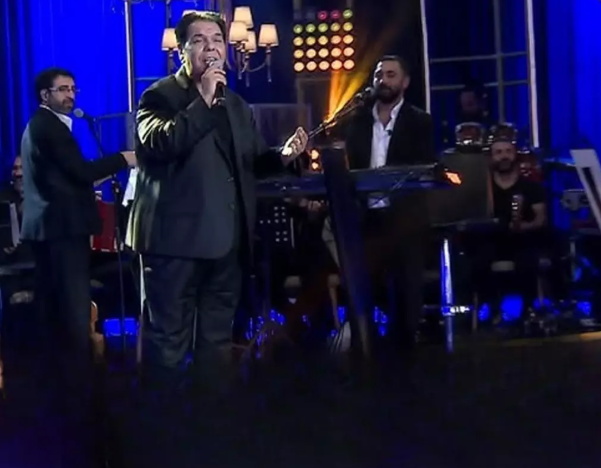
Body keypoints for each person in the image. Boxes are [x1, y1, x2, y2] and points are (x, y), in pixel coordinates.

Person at [126, 11, 307, 395]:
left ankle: (211, 419)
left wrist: (284, 155)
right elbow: (162, 143)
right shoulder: (159, 96)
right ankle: (163, 420)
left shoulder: (236, 105)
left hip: (226, 243)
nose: (211, 48)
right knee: (168, 342)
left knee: (217, 341)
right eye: (199, 40)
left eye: (217, 40)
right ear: (182, 51)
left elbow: (251, 161)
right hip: (173, 245)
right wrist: (205, 100)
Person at [20, 66, 136, 466]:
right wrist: (123, 158)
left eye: (73, 88)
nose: (71, 95)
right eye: (62, 90)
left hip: (55, 230)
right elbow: (80, 172)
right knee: (71, 314)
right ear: (44, 95)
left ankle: (65, 391)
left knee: (61, 312)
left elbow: (69, 177)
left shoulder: (45, 126)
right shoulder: (49, 127)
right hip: (61, 232)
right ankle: (77, 397)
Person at [342, 55, 435, 353]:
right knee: (362, 283)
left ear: (405, 82)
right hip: (366, 217)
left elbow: (426, 168)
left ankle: (404, 347)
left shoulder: (420, 122)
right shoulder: (356, 121)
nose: (383, 80)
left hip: (404, 217)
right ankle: (365, 345)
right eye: (379, 75)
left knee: (406, 285)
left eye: (391, 75)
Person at [471, 136, 547, 321]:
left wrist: (523, 226)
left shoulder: (531, 187)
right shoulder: (483, 189)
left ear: (516, 155)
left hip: (523, 239)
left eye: (508, 151)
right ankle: (488, 310)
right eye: (498, 152)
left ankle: (528, 312)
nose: (504, 156)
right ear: (491, 158)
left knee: (529, 260)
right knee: (476, 261)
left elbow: (541, 219)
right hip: (491, 240)